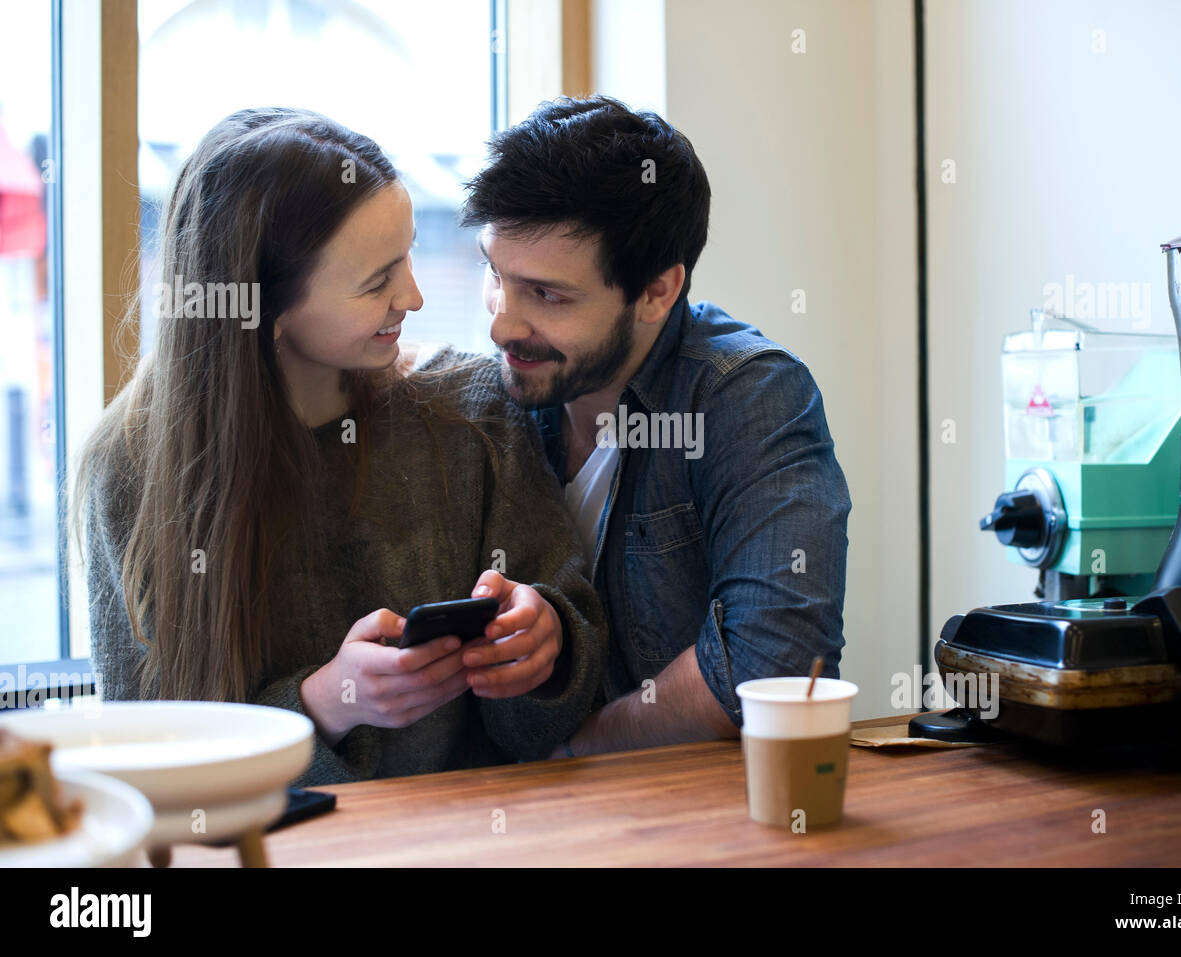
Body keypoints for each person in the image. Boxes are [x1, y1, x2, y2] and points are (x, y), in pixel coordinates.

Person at [76, 108, 606, 786]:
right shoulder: (129, 470)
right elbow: (144, 759)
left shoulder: (474, 413)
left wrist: (549, 643)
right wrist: (322, 704)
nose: (413, 295)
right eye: (376, 280)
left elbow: (557, 696)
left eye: (410, 255)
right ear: (263, 309)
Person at [459, 96, 851, 757]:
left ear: (657, 292)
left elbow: (768, 668)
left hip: (686, 822)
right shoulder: (498, 397)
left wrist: (568, 762)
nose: (501, 323)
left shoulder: (748, 398)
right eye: (495, 275)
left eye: (546, 295)